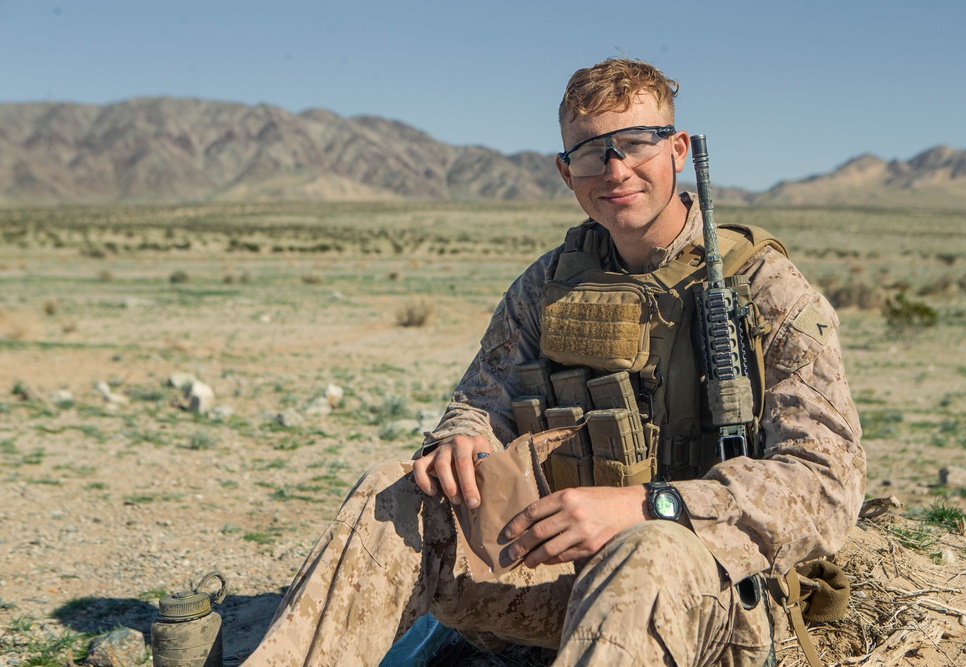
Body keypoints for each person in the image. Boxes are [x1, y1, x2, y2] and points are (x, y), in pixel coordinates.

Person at [240, 58, 866, 666]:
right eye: (592, 152)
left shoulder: (763, 289)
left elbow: (826, 484)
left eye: (636, 143)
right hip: (557, 572)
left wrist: (651, 507)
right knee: (394, 491)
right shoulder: (550, 283)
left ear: (677, 150)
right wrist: (463, 439)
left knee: (646, 551)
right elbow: (481, 401)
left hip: (710, 591)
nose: (615, 168)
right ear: (568, 174)